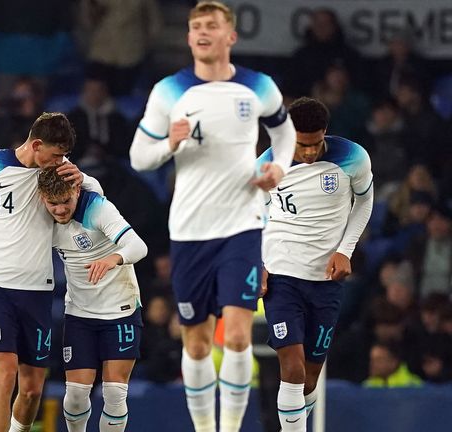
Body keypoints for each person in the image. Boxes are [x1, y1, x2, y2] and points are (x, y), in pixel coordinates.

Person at [128, 2, 295, 431]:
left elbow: (285, 131)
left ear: (230, 36)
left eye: (212, 26)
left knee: (238, 336)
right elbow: (138, 157)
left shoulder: (258, 86)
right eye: (195, 26)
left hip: (242, 227)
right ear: (188, 38)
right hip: (189, 232)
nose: (202, 32)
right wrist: (169, 143)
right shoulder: (170, 91)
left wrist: (279, 166)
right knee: (198, 344)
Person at [0, 112, 101, 432]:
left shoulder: (56, 176)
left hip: (38, 290)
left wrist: (84, 179)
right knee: (4, 373)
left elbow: (101, 207)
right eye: (55, 155)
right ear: (37, 144)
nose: (59, 162)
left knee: (31, 389)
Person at [259, 97, 373, 431]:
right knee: (291, 370)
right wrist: (257, 263)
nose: (309, 152)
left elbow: (364, 202)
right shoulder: (267, 165)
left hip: (326, 280)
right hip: (281, 276)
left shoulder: (353, 157)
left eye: (315, 143)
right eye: (301, 144)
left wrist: (346, 250)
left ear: (325, 133)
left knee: (309, 379)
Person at [36, 166, 147, 432]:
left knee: (114, 393)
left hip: (120, 310)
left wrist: (113, 258)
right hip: (80, 314)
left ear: (76, 191)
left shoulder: (97, 207)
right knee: (75, 396)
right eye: (53, 203)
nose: (61, 210)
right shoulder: (38, 216)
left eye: (66, 202)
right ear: (42, 198)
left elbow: (139, 246)